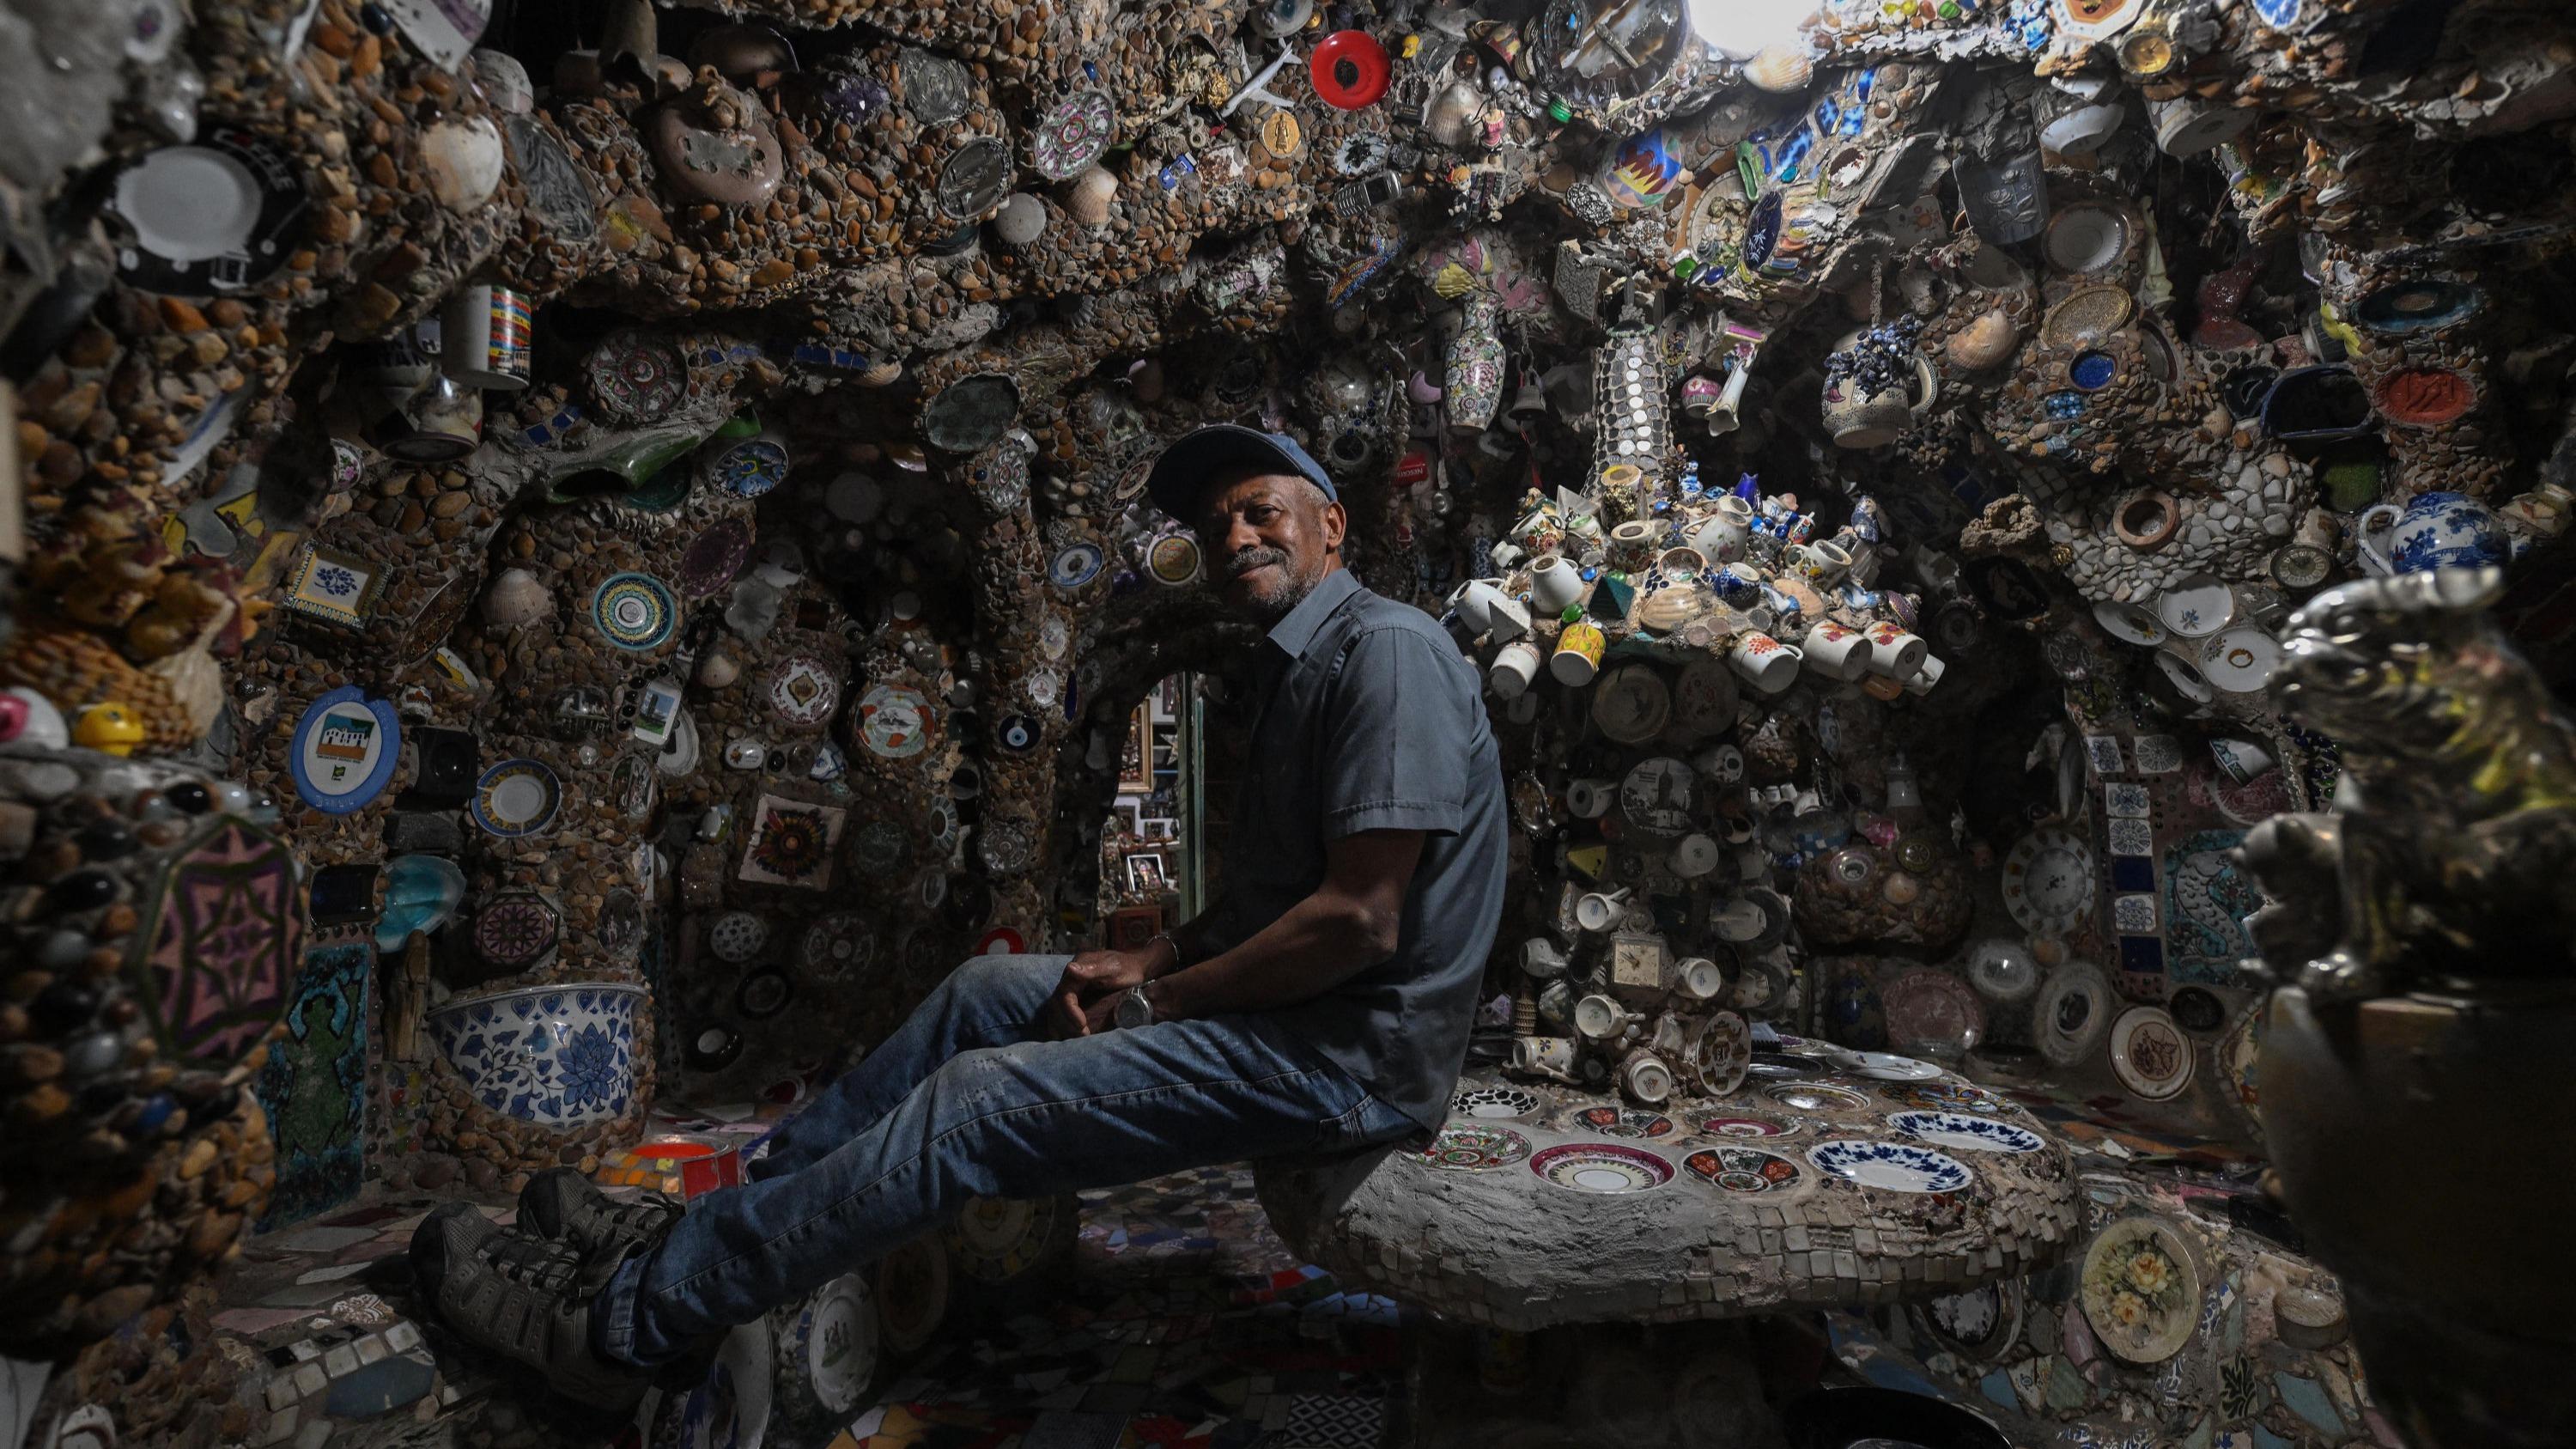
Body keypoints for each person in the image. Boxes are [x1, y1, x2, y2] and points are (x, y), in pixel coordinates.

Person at [411, 425, 1510, 1406]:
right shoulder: (1297, 666)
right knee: (988, 991)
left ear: (1332, 524)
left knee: (979, 1104)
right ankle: (714, 1223)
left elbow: (1356, 922)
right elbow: (1277, 894)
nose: (1235, 537)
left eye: (1260, 511)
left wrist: (1165, 1001)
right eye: (1215, 523)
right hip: (1292, 1022)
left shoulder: (1388, 651)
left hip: (1347, 1060)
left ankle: (619, 1326)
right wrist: (1157, 953)